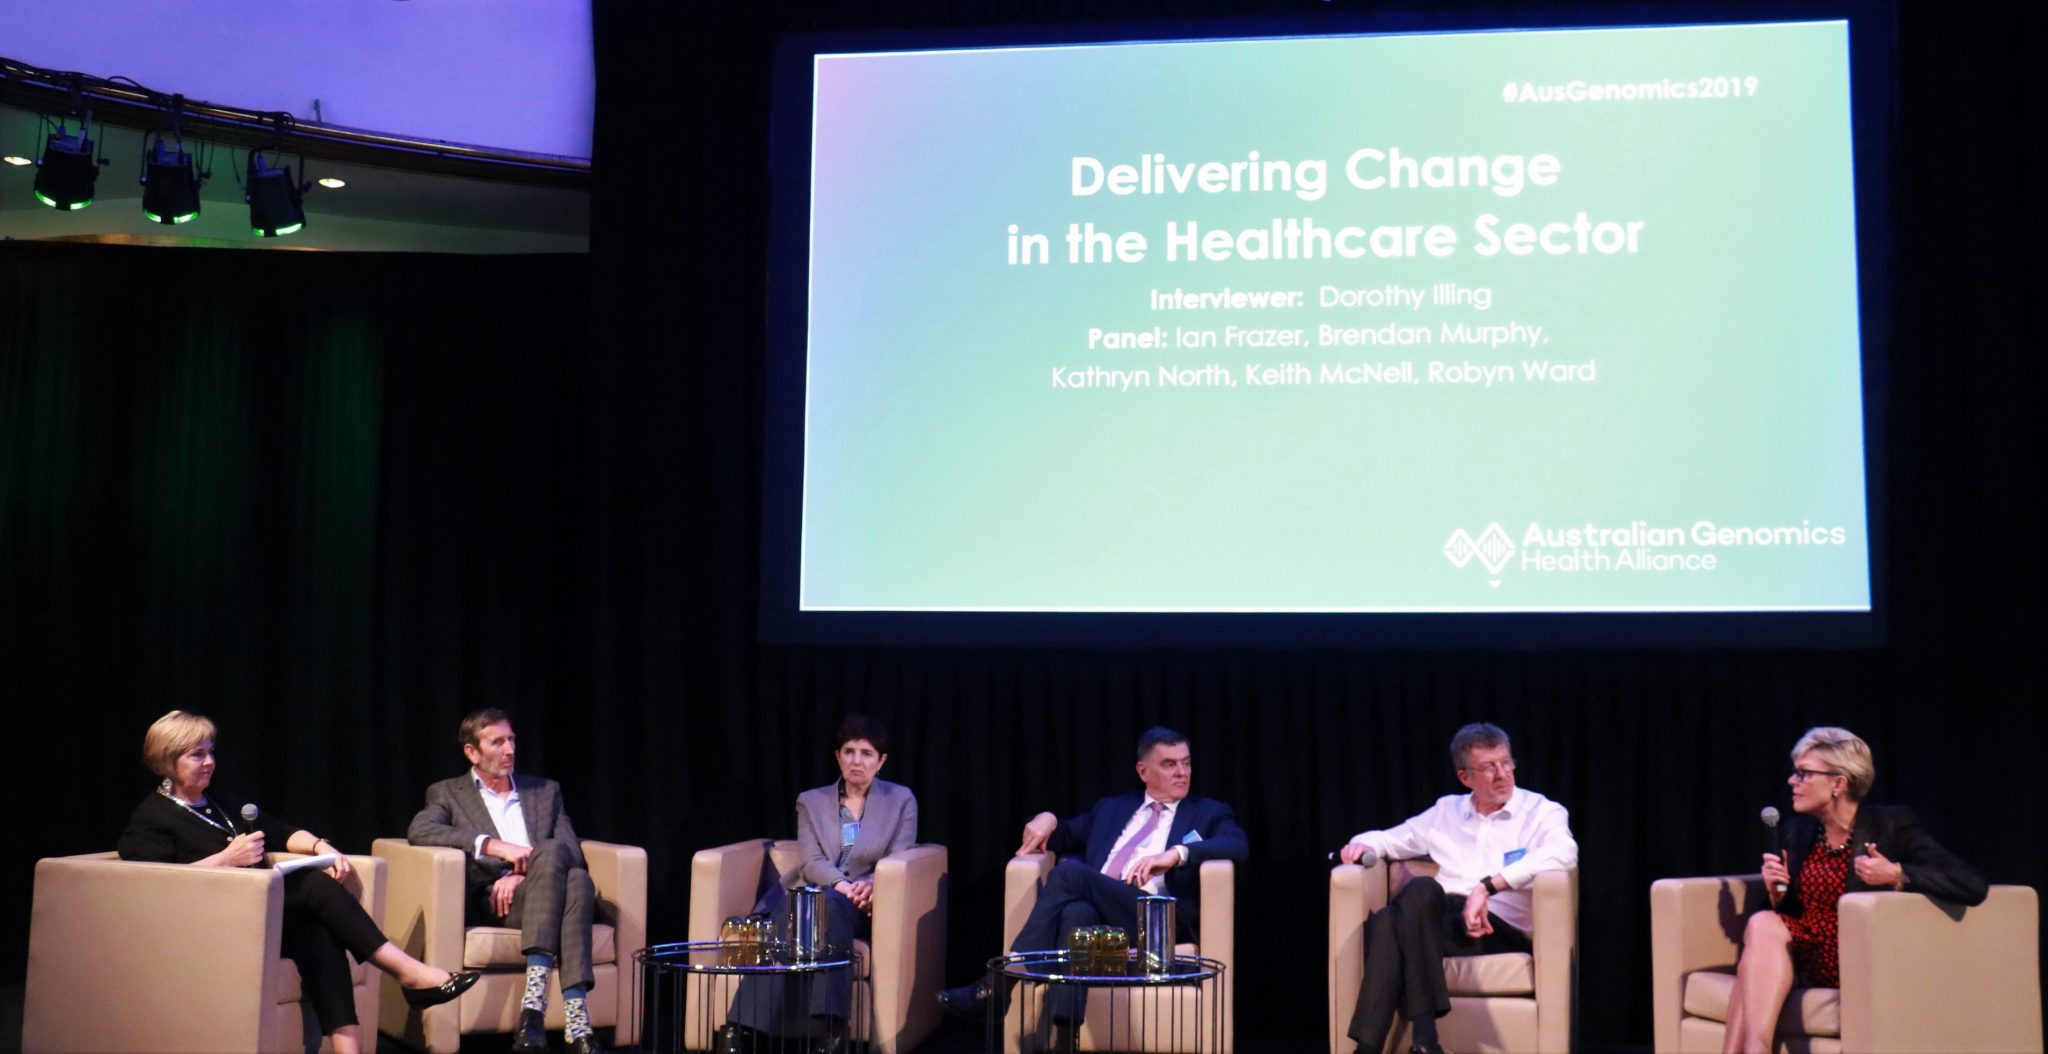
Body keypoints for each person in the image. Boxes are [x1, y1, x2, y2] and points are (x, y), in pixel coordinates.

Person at [117, 711, 478, 1054]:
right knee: (310, 885)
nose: (209, 762)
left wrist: (324, 848)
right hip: (207, 926)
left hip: (257, 914)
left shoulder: (220, 802)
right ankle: (408, 973)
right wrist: (227, 859)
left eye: (211, 752)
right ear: (167, 761)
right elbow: (155, 889)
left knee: (319, 932)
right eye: (197, 755)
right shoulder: (152, 819)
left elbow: (282, 832)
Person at [937, 726, 1250, 1051]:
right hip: (1101, 911)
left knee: (1071, 873)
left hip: (1155, 918)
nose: (1182, 772)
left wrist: (1177, 854)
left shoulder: (1208, 812)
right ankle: (1065, 1036)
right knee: (1077, 912)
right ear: (1143, 771)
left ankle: (1002, 982)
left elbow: (1237, 844)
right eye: (1170, 764)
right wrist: (1047, 817)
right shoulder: (1112, 808)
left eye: (1186, 763)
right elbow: (1064, 834)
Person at [1720, 726, 1986, 1054]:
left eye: (1803, 773)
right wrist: (1778, 897)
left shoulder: (1892, 824)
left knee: (1750, 967)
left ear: (1839, 783)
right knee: (1762, 923)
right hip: (1804, 956)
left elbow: (1972, 885)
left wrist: (1897, 874)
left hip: (1856, 957)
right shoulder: (1798, 831)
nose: (1792, 781)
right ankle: (1757, 1049)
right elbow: (1790, 917)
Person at [1339, 722, 1578, 1054]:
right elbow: (1387, 839)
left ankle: (1373, 1048)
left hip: (1493, 928)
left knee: (1385, 925)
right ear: (1466, 778)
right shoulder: (1446, 811)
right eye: (1488, 767)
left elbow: (1564, 853)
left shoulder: (1540, 812)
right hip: (1437, 920)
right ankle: (1425, 1042)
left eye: (1506, 763)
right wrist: (1361, 846)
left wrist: (1488, 887)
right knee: (1421, 891)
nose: (1502, 774)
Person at [407, 708, 605, 1054]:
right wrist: (493, 846)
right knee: (574, 880)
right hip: (497, 902)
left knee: (575, 877)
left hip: (539, 888)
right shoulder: (448, 793)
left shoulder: (545, 791)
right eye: (497, 742)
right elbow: (420, 830)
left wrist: (522, 871)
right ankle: (577, 1023)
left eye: (511, 739)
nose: (509, 749)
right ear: (472, 752)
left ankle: (535, 1008)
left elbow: (572, 852)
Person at [721, 714, 919, 1054]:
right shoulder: (811, 801)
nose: (857, 760)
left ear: (881, 761)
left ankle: (739, 1028)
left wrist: (872, 884)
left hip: (868, 903)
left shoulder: (900, 800)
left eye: (867, 753)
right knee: (810, 906)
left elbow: (899, 857)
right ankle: (833, 1029)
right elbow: (812, 862)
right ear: (837, 757)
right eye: (849, 751)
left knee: (811, 910)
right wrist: (842, 886)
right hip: (820, 892)